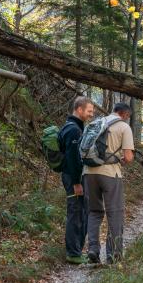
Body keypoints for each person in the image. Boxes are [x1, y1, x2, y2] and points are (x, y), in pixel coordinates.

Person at [84, 103, 135, 265]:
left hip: (88, 172)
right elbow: (128, 157)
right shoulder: (123, 127)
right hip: (110, 174)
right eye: (128, 116)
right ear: (125, 114)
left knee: (94, 211)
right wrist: (123, 159)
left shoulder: (96, 123)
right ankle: (113, 255)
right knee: (115, 213)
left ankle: (93, 249)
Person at [58, 96, 94, 264]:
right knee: (75, 213)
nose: (91, 115)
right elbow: (73, 159)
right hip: (73, 178)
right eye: (89, 111)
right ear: (79, 109)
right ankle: (73, 253)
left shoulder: (75, 127)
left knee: (82, 212)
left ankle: (77, 250)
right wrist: (77, 183)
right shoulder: (73, 130)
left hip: (76, 177)